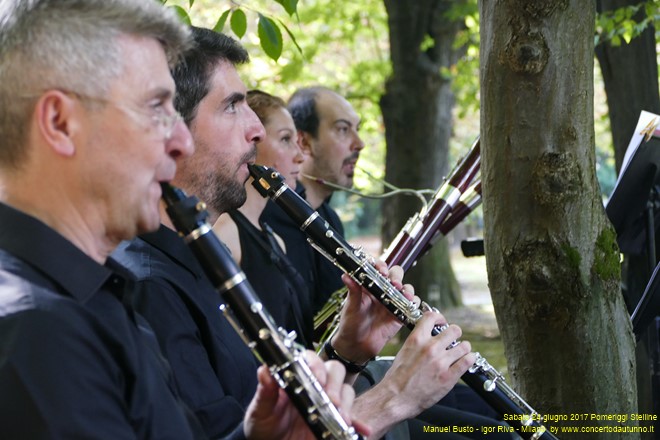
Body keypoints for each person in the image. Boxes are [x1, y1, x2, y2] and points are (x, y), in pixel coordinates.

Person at [0, 2, 357, 439]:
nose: (181, 140)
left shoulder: (93, 293)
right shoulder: (39, 333)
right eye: (155, 108)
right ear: (60, 123)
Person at [113, 27, 476, 440]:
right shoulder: (150, 289)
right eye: (233, 106)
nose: (256, 130)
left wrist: (348, 352)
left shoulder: (201, 261)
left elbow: (281, 415)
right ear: (172, 131)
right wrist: (392, 399)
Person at [262, 86, 514, 439]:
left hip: (346, 384)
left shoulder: (329, 222)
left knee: (486, 410)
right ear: (306, 143)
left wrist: (356, 334)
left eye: (358, 128)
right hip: (335, 405)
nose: (360, 143)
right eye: (342, 129)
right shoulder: (270, 231)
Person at [213, 90, 313, 346]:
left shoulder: (274, 238)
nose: (299, 156)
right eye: (285, 139)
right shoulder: (225, 234)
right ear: (252, 142)